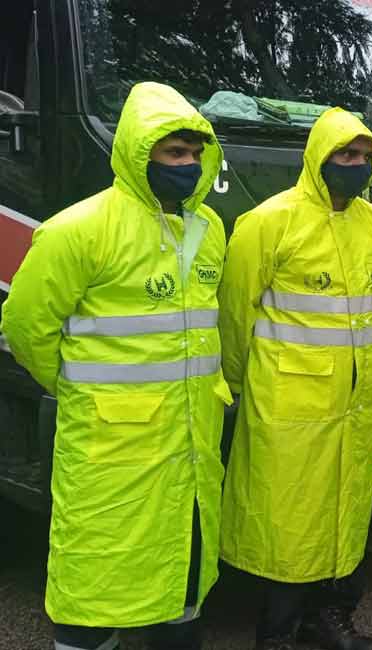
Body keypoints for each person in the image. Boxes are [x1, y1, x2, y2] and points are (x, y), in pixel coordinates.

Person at [0, 81, 229, 650]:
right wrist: (80, 387)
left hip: (191, 447)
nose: (189, 165)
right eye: (174, 153)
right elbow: (26, 326)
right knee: (95, 584)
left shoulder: (210, 231)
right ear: (137, 151)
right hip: (109, 452)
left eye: (196, 154)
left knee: (181, 579)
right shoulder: (78, 230)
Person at [218, 108, 372, 650]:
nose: (356, 165)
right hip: (288, 403)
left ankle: (331, 618)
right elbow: (233, 315)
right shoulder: (269, 222)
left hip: (355, 405)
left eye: (364, 156)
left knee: (345, 512)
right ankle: (277, 632)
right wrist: (240, 386)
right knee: (288, 519)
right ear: (319, 157)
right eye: (345, 155)